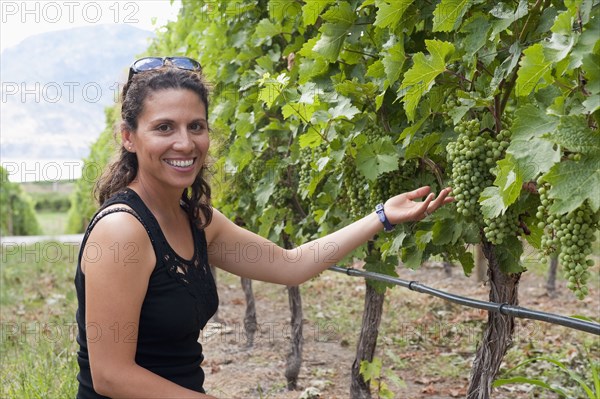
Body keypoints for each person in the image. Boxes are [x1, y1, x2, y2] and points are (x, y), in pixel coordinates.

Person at [74, 56, 453, 398]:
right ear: (128, 137)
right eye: (164, 128)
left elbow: (291, 265)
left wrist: (381, 216)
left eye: (196, 126)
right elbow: (111, 375)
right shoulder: (122, 231)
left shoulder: (197, 220)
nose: (185, 143)